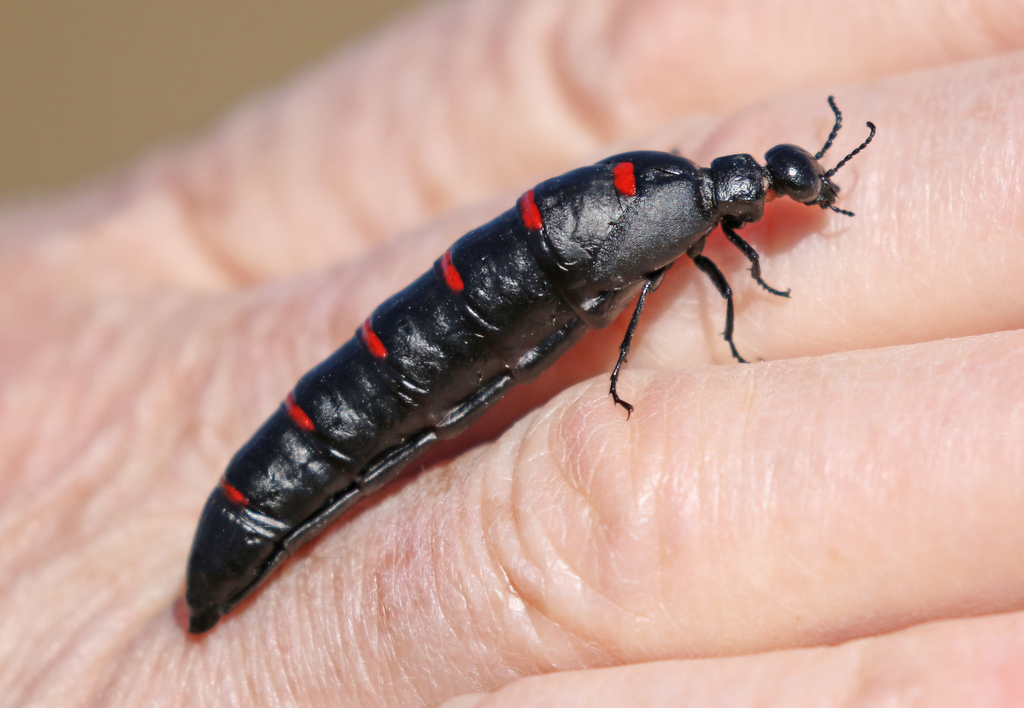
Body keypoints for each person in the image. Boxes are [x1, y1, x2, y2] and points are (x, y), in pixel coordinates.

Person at [4, 1, 1024, 705]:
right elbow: (653, 291)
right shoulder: (685, 207)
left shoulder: (675, 184)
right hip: (312, 452)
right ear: (758, 200)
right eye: (792, 187)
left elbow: (633, 274)